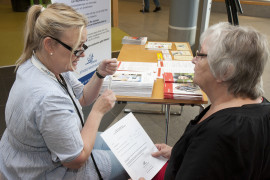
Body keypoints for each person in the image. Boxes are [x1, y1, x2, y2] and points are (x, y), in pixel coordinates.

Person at [0, 3, 129, 180]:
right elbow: (77, 159)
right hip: (46, 172)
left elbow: (82, 97)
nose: (82, 54)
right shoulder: (47, 98)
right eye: (77, 47)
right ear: (50, 45)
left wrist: (99, 74)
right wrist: (98, 112)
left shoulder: (41, 64)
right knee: (129, 158)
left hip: (23, 160)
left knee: (122, 143)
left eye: (83, 45)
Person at [151, 22, 270, 179]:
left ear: (226, 71)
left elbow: (216, 155)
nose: (194, 60)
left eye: (201, 55)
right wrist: (180, 153)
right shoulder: (261, 106)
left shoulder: (219, 134)